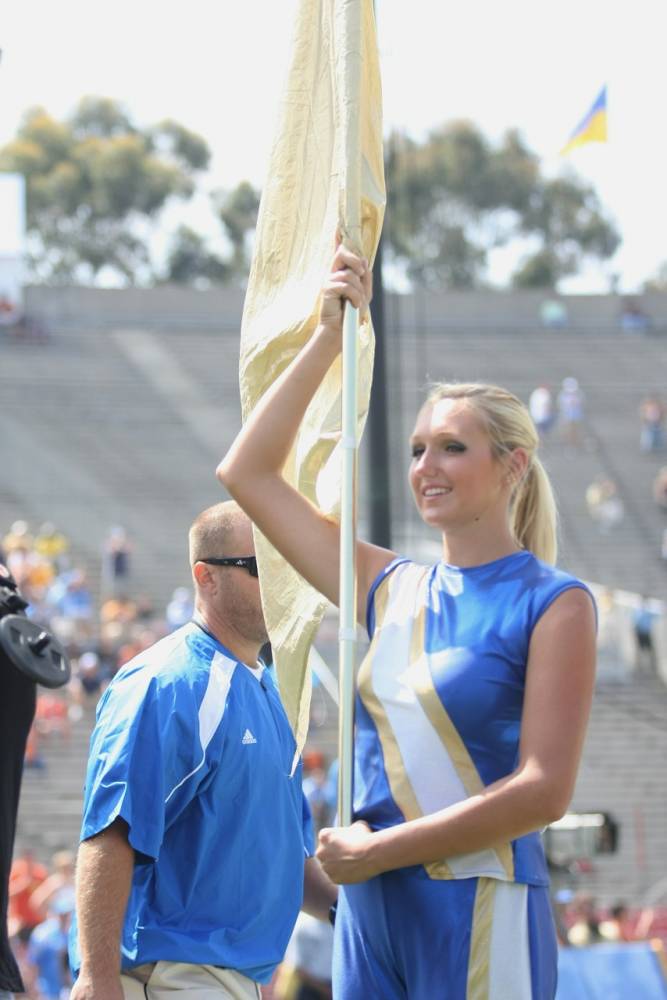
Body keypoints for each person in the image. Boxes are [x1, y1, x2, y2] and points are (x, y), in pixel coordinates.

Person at [218, 244, 597, 999]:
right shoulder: (382, 582)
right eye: (418, 447)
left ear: (512, 465)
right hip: (370, 908)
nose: (426, 465)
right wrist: (329, 338)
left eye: (453, 448)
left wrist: (382, 850)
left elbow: (543, 791)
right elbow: (247, 473)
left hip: (479, 898)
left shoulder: (555, 602)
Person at [69, 502, 336, 1000]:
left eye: (285, 566)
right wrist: (97, 977)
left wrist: (346, 912)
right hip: (167, 975)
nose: (280, 583)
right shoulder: (167, 682)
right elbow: (111, 832)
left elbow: (284, 858)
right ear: (206, 577)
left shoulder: (269, 691)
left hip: (232, 979)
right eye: (260, 568)